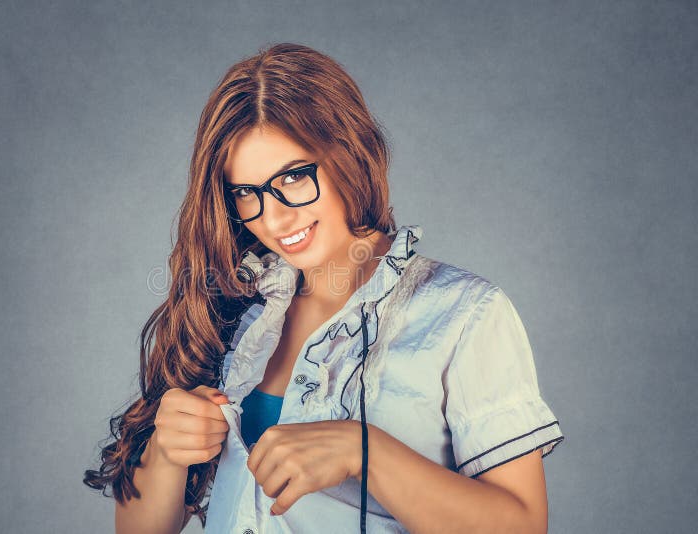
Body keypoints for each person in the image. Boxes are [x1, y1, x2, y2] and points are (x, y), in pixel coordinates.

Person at [83, 42, 564, 534]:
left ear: (349, 153)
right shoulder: (230, 311)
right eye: (247, 193)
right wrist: (166, 452)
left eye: (293, 176)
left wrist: (366, 452)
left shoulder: (466, 315)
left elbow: (523, 526)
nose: (274, 217)